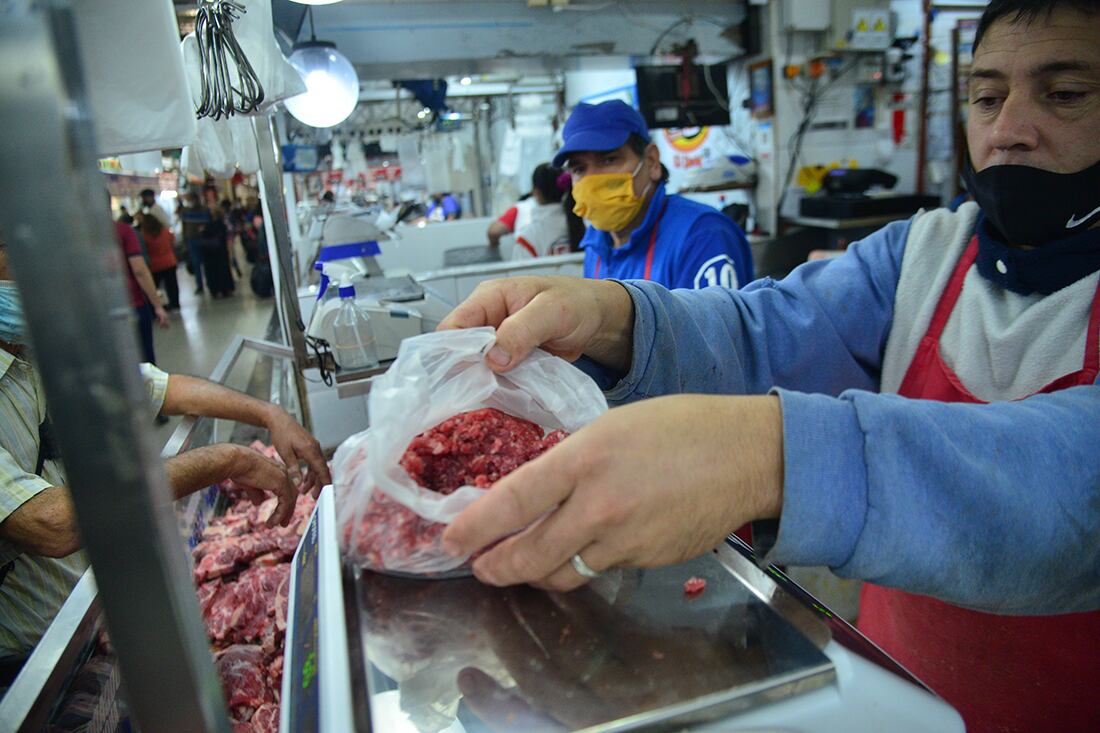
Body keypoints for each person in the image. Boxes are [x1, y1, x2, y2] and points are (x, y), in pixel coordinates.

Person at [437, 3, 1100, 731]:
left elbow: (1072, 481)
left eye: (1064, 94)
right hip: (907, 699)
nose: (1008, 129)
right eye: (986, 95)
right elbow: (765, 332)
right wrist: (615, 317)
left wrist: (766, 455)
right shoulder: (926, 253)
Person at [0, 242, 330, 680]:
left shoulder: (38, 354)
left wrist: (269, 414)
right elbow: (52, 523)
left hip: (98, 619)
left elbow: (164, 389)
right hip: (31, 670)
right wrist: (226, 460)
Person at [553, 100, 753, 289]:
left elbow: (717, 323)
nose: (593, 179)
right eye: (579, 169)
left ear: (651, 161)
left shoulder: (702, 236)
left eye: (609, 160)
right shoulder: (597, 244)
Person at [487, 164, 572, 259]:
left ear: (536, 192)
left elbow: (494, 231)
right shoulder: (580, 220)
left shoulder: (521, 208)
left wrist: (493, 247)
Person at [115, 217, 169, 364]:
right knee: (145, 360)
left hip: (99, 310)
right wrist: (157, 306)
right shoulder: (123, 231)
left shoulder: (79, 234)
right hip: (131, 304)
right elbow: (139, 270)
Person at [138, 212, 180, 311]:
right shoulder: (165, 231)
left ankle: (158, 305)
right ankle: (175, 304)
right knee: (172, 285)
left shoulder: (144, 235)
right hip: (169, 261)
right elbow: (173, 242)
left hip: (155, 264)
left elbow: (144, 249)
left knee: (155, 286)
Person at [199, 205, 235, 299]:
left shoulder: (208, 226)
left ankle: (217, 290)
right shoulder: (223, 224)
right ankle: (226, 288)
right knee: (224, 270)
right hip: (221, 252)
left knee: (214, 273)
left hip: (210, 254)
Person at [178, 191, 211, 295]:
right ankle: (199, 285)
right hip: (191, 240)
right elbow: (184, 227)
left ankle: (209, 283)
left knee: (206, 262)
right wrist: (185, 241)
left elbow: (209, 224)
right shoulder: (185, 211)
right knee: (196, 264)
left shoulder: (204, 210)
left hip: (203, 239)